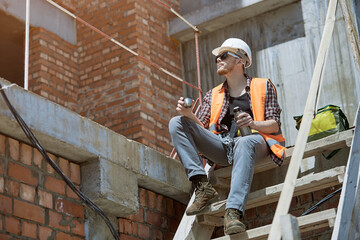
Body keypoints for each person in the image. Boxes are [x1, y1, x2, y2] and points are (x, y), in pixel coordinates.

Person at [169, 38, 286, 235]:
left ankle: (233, 213)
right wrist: (189, 116)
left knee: (245, 141)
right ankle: (202, 186)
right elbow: (203, 130)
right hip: (223, 147)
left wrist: (252, 123)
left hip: (258, 143)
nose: (218, 59)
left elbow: (274, 124)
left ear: (241, 60)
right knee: (176, 123)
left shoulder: (263, 85)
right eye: (217, 57)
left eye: (224, 55)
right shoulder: (213, 94)